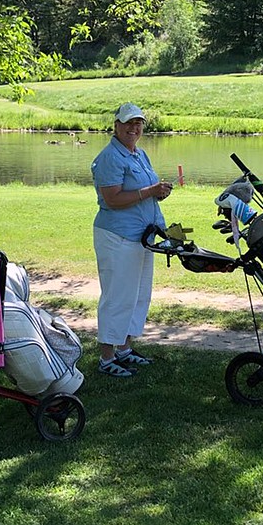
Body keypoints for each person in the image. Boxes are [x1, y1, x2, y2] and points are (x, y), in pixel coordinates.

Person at [90, 102, 172, 377]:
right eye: (128, 123)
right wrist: (150, 191)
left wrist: (158, 193)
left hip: (141, 236)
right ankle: (106, 357)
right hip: (118, 237)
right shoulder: (109, 157)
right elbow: (112, 199)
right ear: (116, 125)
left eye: (138, 123)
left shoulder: (140, 154)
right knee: (117, 297)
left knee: (137, 295)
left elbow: (142, 191)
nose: (133, 128)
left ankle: (124, 349)